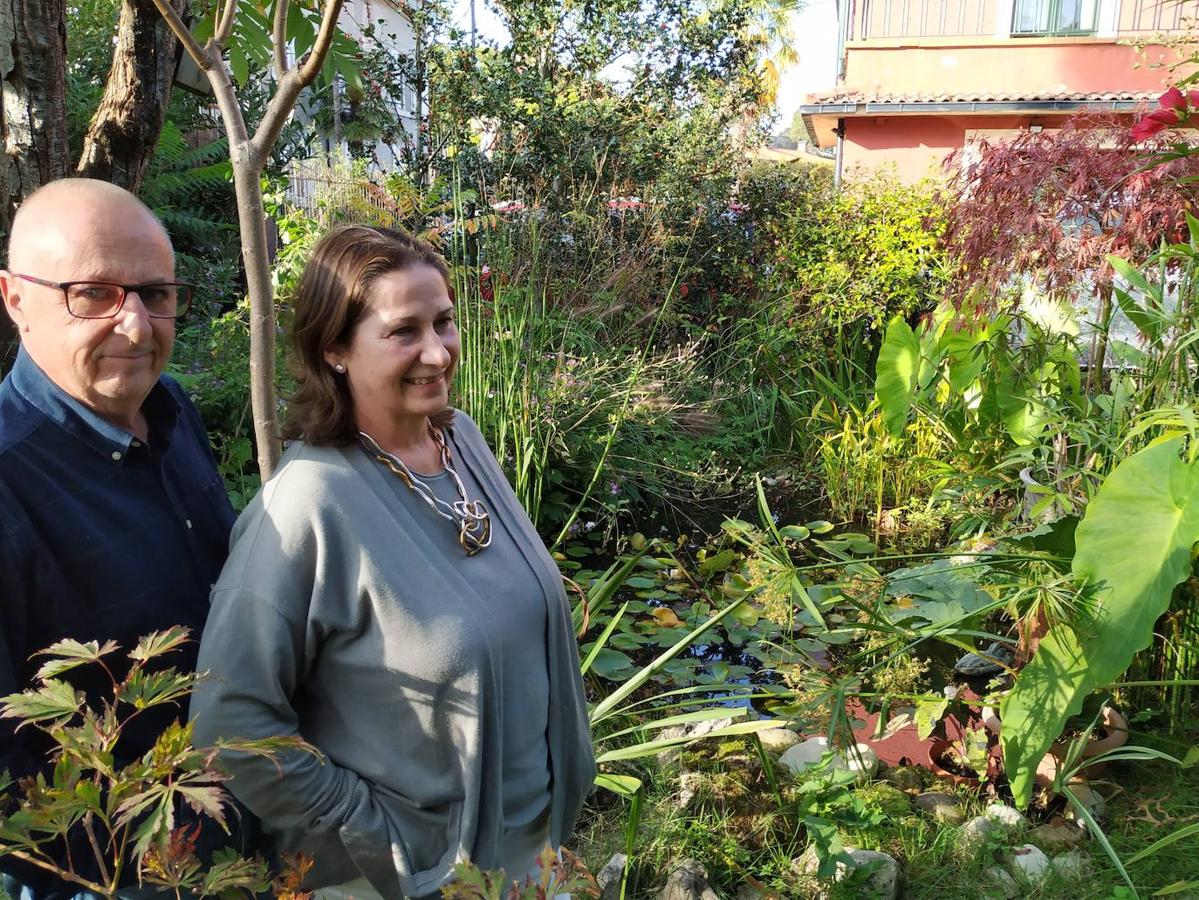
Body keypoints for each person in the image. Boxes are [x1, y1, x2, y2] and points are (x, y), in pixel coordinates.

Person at [189, 224, 595, 898]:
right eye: (403, 331)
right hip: (416, 877)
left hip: (533, 854)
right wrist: (374, 835)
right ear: (335, 349)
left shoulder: (458, 441)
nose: (436, 353)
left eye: (444, 322)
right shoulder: (307, 505)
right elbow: (229, 724)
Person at [0, 179, 238, 897]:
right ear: (15, 300)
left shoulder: (169, 409)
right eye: (94, 294)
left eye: (156, 294)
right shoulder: (8, 485)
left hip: (243, 838)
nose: (135, 326)